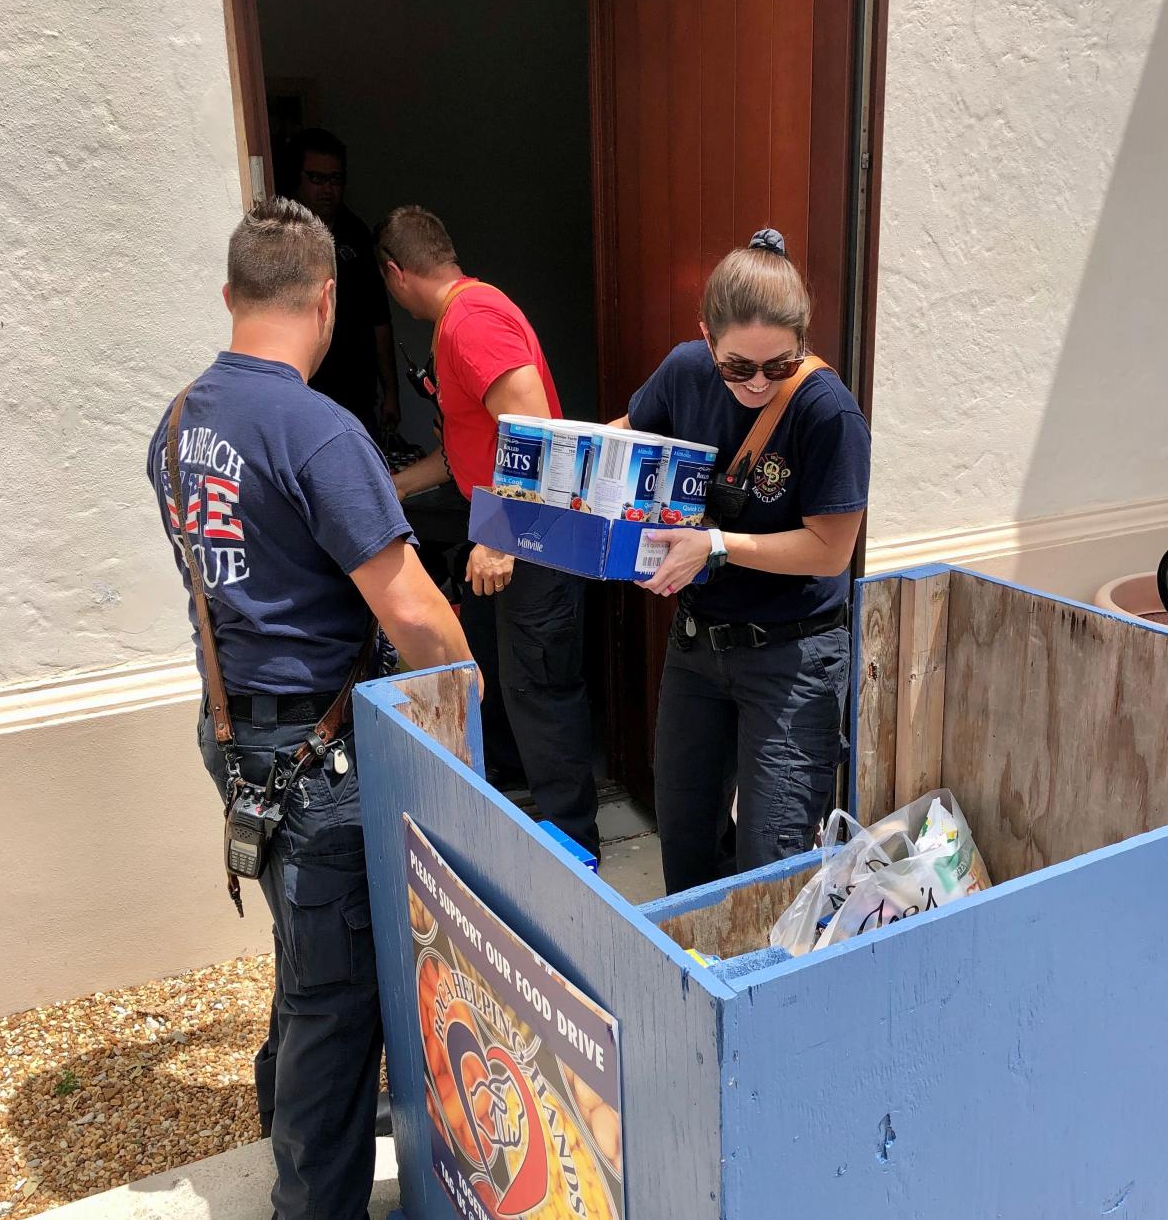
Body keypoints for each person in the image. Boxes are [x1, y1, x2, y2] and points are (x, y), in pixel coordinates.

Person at [147, 197, 475, 1220]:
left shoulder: (178, 426)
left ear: (233, 295)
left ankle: (286, 1107)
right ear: (328, 300)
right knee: (346, 1018)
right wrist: (468, 698)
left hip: (237, 741)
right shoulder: (320, 432)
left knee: (307, 959)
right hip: (318, 760)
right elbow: (408, 608)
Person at [621, 228, 871, 895]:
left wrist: (720, 544)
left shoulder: (827, 413)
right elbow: (629, 435)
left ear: (803, 343)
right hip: (698, 647)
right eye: (738, 367)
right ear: (707, 339)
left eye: (777, 366)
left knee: (773, 862)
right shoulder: (682, 371)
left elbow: (831, 549)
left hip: (793, 658)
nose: (758, 383)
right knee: (686, 838)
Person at [376, 205, 600, 856]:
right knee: (494, 672)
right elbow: (469, 444)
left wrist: (501, 535)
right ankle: (516, 803)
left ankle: (572, 846)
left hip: (533, 536)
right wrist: (392, 488)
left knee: (541, 688)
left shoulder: (469, 323)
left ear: (395, 273)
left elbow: (532, 422)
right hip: (506, 530)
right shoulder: (464, 318)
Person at [284, 128, 400, 440]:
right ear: (298, 178)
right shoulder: (282, 234)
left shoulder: (357, 236)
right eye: (316, 178)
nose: (327, 189)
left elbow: (380, 319)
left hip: (357, 395)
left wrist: (391, 391)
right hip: (303, 390)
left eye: (335, 179)